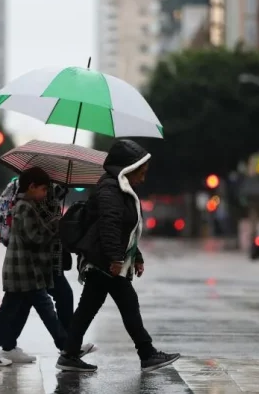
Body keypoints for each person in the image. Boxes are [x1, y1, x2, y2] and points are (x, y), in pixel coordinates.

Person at [56, 139, 180, 373]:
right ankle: (147, 354)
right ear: (127, 168)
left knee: (91, 309)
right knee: (125, 305)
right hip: (104, 261)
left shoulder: (120, 189)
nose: (143, 178)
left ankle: (70, 354)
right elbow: (110, 225)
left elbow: (127, 230)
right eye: (140, 173)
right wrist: (115, 258)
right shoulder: (110, 189)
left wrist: (137, 256)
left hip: (106, 260)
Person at [0, 184, 96, 363]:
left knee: (26, 301)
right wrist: (60, 222)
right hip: (41, 260)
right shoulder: (39, 191)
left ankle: (8, 345)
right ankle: (68, 347)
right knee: (57, 298)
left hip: (46, 260)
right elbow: (41, 225)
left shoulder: (52, 190)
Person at [0, 167, 67, 366]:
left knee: (11, 310)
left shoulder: (26, 205)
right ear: (32, 186)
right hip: (23, 271)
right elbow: (35, 237)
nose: (45, 194)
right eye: (43, 189)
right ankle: (67, 347)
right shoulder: (24, 207)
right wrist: (55, 225)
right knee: (43, 309)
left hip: (23, 270)